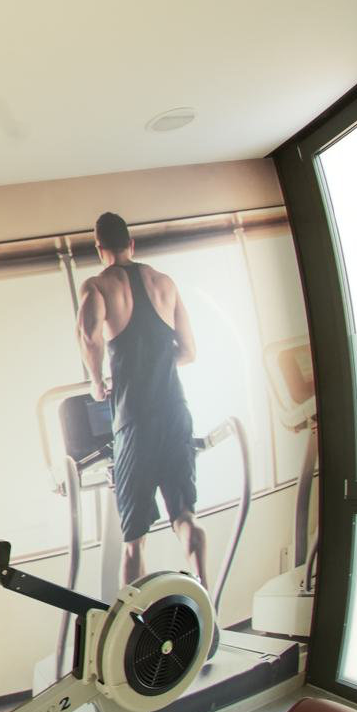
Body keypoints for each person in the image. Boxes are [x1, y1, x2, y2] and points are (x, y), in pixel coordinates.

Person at [76, 212, 208, 587]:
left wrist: (97, 382)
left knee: (134, 540)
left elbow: (89, 337)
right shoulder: (165, 283)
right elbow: (189, 352)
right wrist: (157, 362)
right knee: (185, 516)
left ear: (99, 249)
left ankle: (137, 619)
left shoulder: (97, 286)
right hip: (176, 411)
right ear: (131, 244)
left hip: (135, 420)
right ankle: (207, 595)